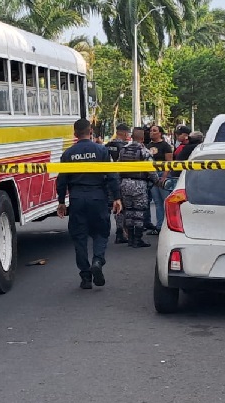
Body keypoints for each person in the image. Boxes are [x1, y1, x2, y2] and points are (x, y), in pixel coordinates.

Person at [57, 119, 122, 289]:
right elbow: (112, 175)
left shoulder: (68, 153)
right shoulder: (101, 150)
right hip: (98, 197)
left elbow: (61, 180)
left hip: (77, 198)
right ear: (90, 131)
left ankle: (85, 277)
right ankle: (98, 261)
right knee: (101, 232)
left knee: (79, 238)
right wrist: (117, 197)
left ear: (75, 133)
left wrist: (61, 202)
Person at [117, 127, 159, 248]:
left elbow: (117, 167)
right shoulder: (144, 151)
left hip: (124, 183)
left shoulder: (123, 150)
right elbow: (150, 169)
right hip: (139, 184)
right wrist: (157, 181)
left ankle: (130, 238)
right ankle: (137, 239)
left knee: (129, 211)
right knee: (139, 212)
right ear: (142, 138)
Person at [105, 124, 130, 244]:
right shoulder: (125, 147)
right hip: (121, 180)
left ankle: (117, 231)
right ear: (125, 134)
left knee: (112, 206)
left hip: (108, 180)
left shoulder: (107, 146)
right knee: (122, 206)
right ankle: (123, 232)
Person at [147, 125, 173, 235]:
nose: (151, 132)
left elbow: (169, 162)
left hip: (163, 174)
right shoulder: (148, 146)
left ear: (160, 133)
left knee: (166, 201)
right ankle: (159, 226)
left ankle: (169, 226)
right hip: (152, 175)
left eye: (154, 131)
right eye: (150, 131)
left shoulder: (166, 146)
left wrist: (165, 176)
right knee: (157, 202)